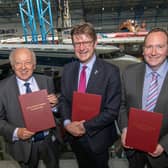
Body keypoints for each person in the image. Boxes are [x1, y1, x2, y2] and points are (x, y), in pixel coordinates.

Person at [59, 22, 121, 168]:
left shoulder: (111, 72)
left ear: (95, 43)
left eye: (86, 42)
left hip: (98, 138)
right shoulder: (68, 70)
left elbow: (112, 110)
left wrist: (84, 126)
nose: (81, 48)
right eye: (77, 43)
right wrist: (68, 124)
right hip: (74, 138)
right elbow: (64, 101)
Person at [0, 48, 61, 168]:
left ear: (34, 65)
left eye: (28, 62)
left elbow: (56, 110)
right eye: (18, 63)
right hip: (23, 145)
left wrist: (55, 105)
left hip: (49, 140)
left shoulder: (46, 81)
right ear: (12, 66)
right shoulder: (2, 89)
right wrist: (17, 132)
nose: (23, 67)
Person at [118, 28, 168, 168]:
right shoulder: (129, 73)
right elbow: (121, 105)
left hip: (162, 153)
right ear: (143, 50)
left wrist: (164, 145)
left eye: (159, 47)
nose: (153, 52)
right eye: (149, 47)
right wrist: (125, 129)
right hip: (134, 149)